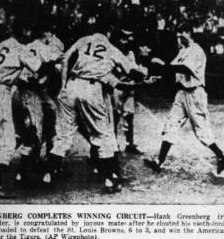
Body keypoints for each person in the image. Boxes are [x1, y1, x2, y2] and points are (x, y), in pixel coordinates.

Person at [44, 23, 148, 193]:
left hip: (71, 85)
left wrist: (63, 84)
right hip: (91, 88)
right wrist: (143, 73)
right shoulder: (110, 48)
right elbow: (131, 72)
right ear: (108, 32)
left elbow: (65, 59)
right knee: (104, 135)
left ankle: (48, 174)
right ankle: (109, 180)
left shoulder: (84, 40)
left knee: (64, 135)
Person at [144, 23, 224, 174]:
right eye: (178, 35)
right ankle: (159, 161)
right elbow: (173, 70)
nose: (179, 38)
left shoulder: (197, 50)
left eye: (182, 34)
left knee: (201, 131)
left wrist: (162, 65)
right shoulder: (183, 51)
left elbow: (184, 68)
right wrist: (159, 74)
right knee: (171, 125)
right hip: (182, 93)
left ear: (189, 33)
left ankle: (221, 155)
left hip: (195, 93)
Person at [0, 18, 46, 198]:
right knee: (7, 141)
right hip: (0, 91)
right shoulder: (21, 48)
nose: (30, 34)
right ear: (23, 30)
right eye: (28, 31)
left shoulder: (2, 44)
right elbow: (38, 67)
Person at [13, 21, 63, 185]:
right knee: (34, 134)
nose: (52, 36)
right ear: (46, 33)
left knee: (50, 116)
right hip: (30, 91)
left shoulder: (27, 46)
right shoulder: (43, 47)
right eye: (50, 33)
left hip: (27, 91)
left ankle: (48, 166)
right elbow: (52, 68)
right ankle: (23, 172)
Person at [112, 27, 144, 155]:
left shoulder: (130, 53)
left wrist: (140, 71)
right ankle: (113, 144)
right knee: (115, 115)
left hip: (129, 86)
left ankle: (129, 143)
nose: (126, 41)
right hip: (118, 86)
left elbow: (133, 67)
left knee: (129, 115)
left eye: (127, 38)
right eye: (123, 38)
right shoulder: (113, 53)